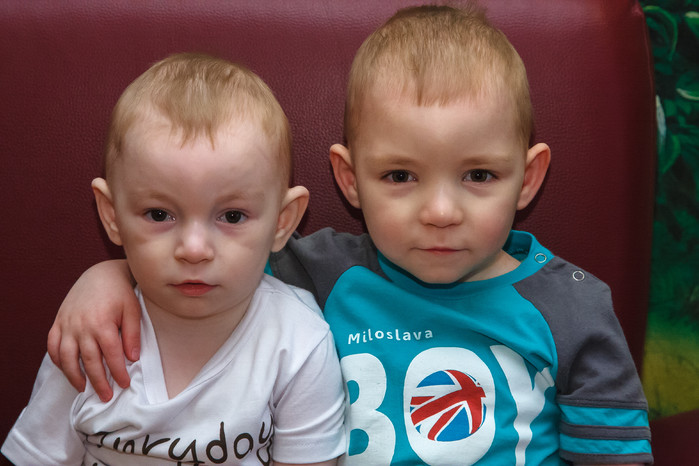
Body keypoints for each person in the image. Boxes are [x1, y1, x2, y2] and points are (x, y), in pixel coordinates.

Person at [43, 4, 653, 465]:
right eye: (400, 176)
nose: (441, 211)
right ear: (349, 179)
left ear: (528, 178)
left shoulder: (573, 308)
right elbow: (208, 253)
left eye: (479, 175)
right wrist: (109, 274)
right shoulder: (320, 269)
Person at [1, 53, 345, 466]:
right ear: (112, 215)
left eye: (232, 217)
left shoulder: (298, 342)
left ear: (282, 222)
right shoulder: (90, 334)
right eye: (159, 215)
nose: (194, 249)